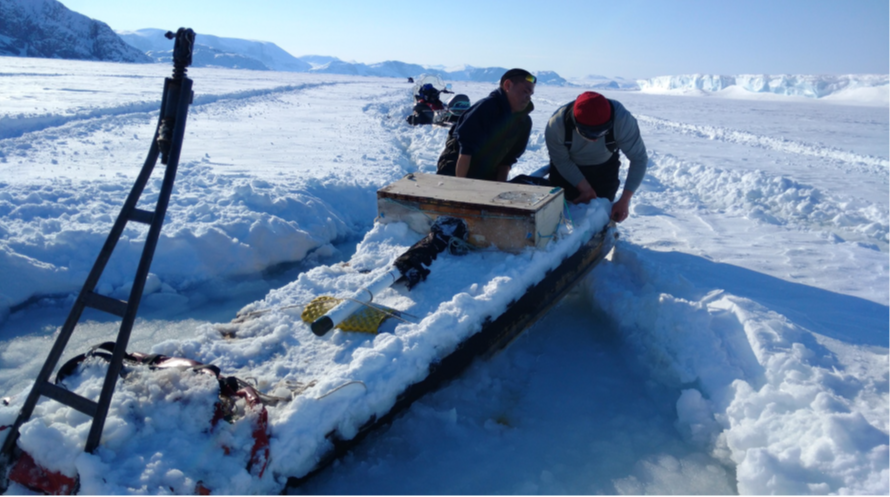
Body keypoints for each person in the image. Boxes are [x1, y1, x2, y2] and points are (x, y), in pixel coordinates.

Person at [545, 91, 648, 223]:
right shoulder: (557, 125)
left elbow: (639, 158)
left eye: (601, 132)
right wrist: (585, 189)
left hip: (604, 168)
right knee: (560, 214)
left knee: (600, 215)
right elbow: (561, 160)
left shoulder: (622, 120)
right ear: (575, 124)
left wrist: (624, 200)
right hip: (568, 168)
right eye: (587, 133)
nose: (594, 139)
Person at [436, 68, 536, 182]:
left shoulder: (523, 122)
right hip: (454, 175)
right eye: (525, 91)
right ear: (508, 85)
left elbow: (507, 161)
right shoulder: (485, 109)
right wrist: (461, 188)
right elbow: (465, 153)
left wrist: (498, 188)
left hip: (486, 180)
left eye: (530, 94)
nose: (528, 98)